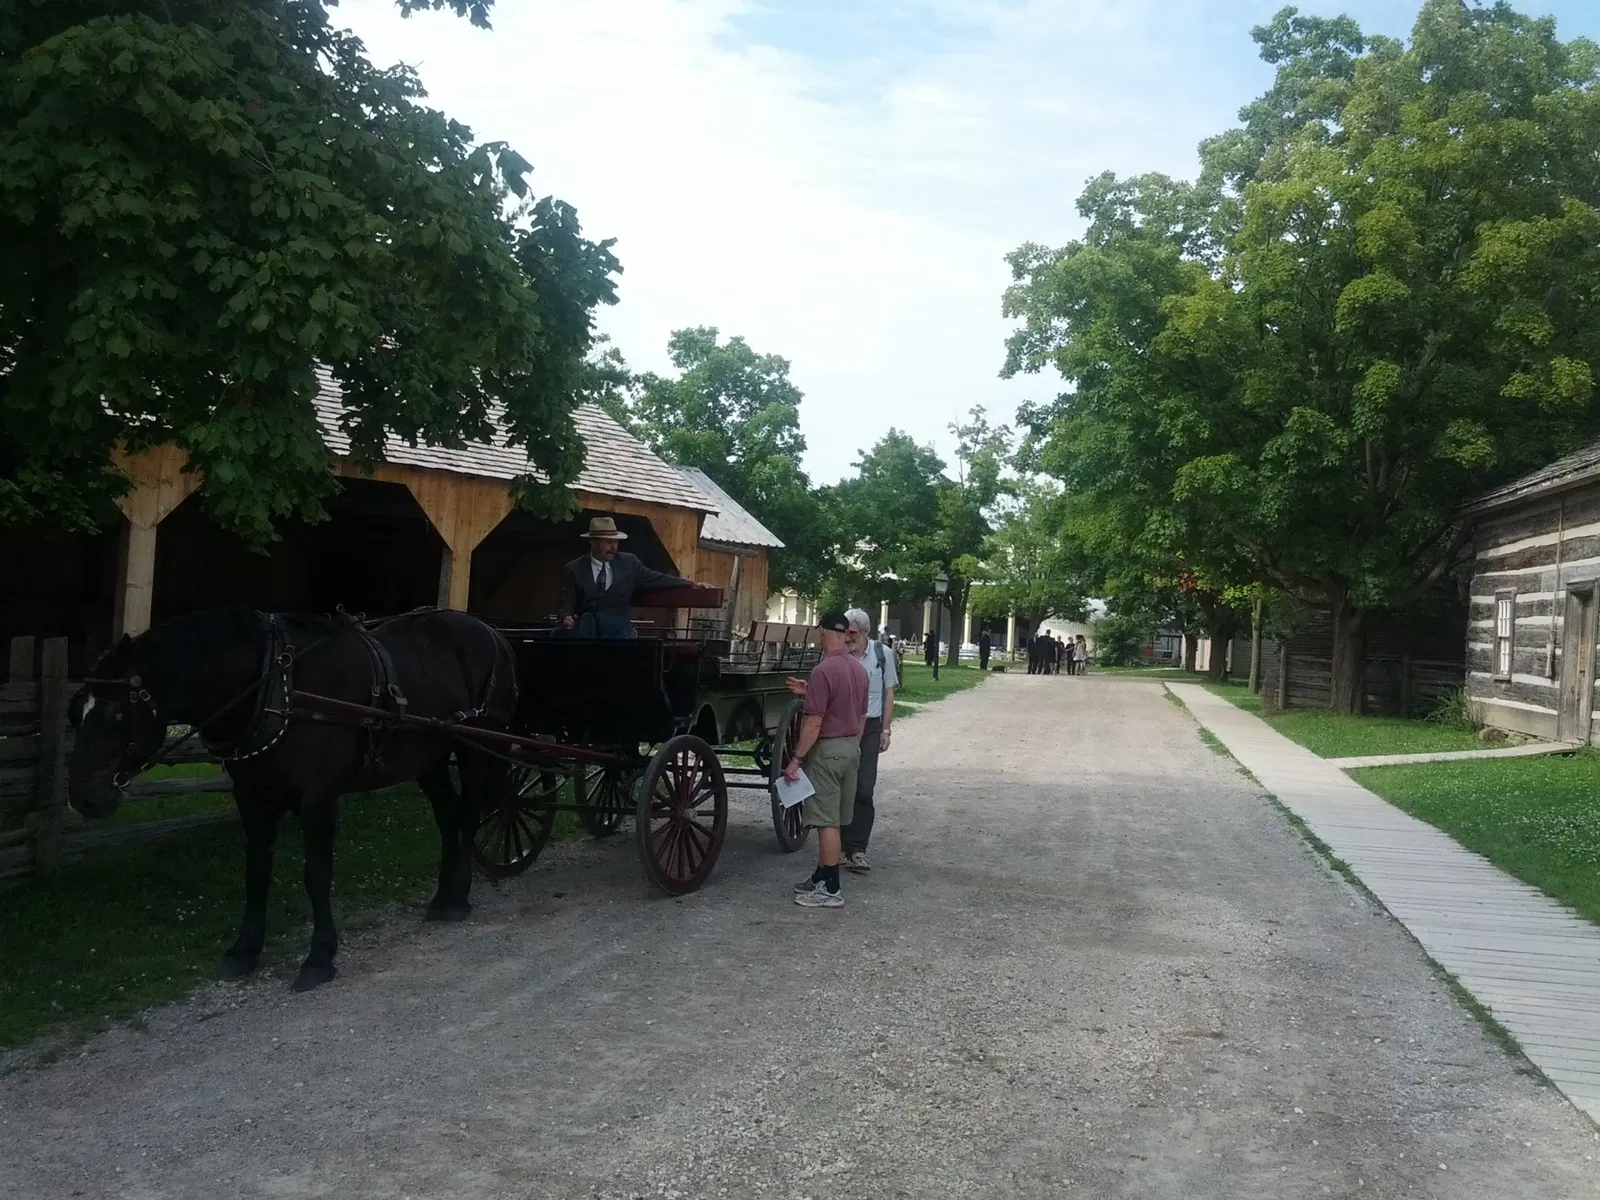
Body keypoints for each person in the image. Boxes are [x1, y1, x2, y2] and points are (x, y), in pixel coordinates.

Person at [783, 612, 868, 908]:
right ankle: (821, 874)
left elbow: (813, 724)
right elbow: (858, 714)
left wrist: (796, 759)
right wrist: (810, 692)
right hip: (851, 748)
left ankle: (831, 888)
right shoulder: (858, 669)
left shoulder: (822, 670)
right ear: (845, 634)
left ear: (823, 632)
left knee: (825, 822)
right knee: (838, 818)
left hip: (828, 751)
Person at [556, 516, 697, 639]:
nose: (613, 547)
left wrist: (689, 584)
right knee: (584, 623)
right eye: (608, 542)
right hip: (588, 631)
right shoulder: (575, 568)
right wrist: (566, 617)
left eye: (615, 542)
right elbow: (568, 602)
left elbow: (656, 578)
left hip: (618, 630)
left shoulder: (629, 563)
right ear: (593, 542)